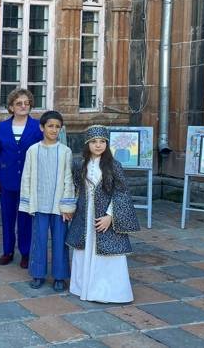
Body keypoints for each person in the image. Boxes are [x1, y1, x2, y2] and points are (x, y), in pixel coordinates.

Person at [67, 125, 140, 303]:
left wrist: (110, 216)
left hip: (105, 217)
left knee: (107, 254)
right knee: (84, 249)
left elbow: (122, 192)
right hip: (84, 217)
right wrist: (68, 208)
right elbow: (74, 188)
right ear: (87, 143)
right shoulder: (79, 165)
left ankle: (107, 292)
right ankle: (83, 287)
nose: (98, 145)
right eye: (93, 141)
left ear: (107, 144)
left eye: (102, 141)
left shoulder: (114, 166)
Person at [19, 111, 75, 291]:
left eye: (57, 127)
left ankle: (59, 276)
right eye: (50, 126)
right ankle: (38, 274)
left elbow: (68, 179)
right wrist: (27, 203)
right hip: (39, 204)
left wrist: (67, 206)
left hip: (59, 206)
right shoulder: (33, 150)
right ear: (42, 127)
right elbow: (26, 177)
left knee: (60, 241)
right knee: (39, 240)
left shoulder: (65, 151)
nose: (54, 130)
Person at [0, 88, 42, 268]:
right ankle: (8, 251)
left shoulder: (38, 126)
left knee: (25, 218)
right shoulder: (2, 126)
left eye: (27, 103)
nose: (23, 106)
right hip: (7, 178)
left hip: (30, 179)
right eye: (19, 103)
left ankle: (25, 253)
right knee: (7, 217)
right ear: (11, 107)